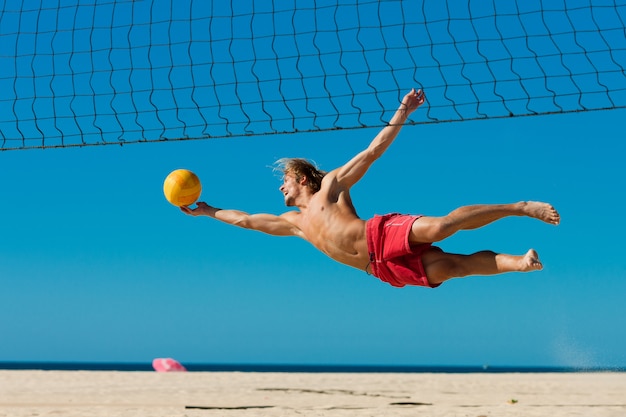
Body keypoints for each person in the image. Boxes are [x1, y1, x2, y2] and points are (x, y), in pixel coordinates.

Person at [181, 88, 560, 288]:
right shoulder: (294, 222)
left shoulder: (330, 187)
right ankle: (521, 264)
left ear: (300, 180)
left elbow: (372, 151)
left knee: (443, 227)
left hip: (381, 236)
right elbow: (246, 220)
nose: (280, 188)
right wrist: (209, 210)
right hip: (377, 268)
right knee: (453, 268)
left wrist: (402, 112)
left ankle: (520, 206)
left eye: (284, 180)